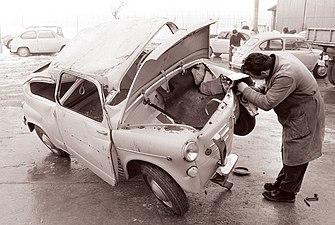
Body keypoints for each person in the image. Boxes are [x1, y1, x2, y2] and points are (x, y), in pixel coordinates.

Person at [236, 52, 325, 203]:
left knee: (298, 153)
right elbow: (271, 84)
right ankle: (282, 183)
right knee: (289, 150)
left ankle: (287, 193)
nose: (252, 78)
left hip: (305, 114)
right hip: (296, 112)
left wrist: (244, 89)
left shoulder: (286, 74)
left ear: (264, 72)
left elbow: (266, 103)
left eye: (252, 75)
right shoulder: (274, 61)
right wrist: (255, 91)